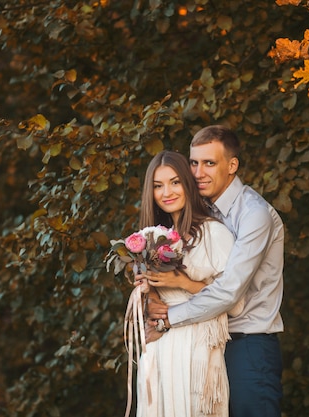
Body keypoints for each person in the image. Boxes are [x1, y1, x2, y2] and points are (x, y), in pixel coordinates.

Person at [146, 125, 285, 417]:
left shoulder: (254, 214)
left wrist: (168, 317)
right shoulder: (201, 210)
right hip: (207, 338)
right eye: (194, 163)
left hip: (248, 340)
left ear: (232, 165)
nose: (198, 173)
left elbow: (229, 291)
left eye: (210, 163)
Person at [134, 150, 241, 417]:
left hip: (195, 346)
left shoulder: (213, 233)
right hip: (159, 346)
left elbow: (236, 304)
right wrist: (148, 297)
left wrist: (182, 282)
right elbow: (151, 295)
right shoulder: (152, 238)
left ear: (188, 183)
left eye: (175, 182)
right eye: (158, 186)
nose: (166, 192)